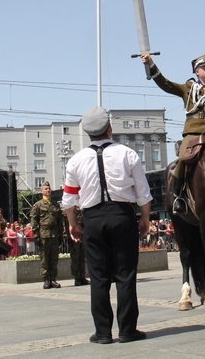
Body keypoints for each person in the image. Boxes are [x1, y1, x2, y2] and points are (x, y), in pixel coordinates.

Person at [62, 106, 151, 344]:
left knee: (99, 277)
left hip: (92, 219)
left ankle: (102, 333)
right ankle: (127, 330)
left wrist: (73, 224)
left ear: (88, 133)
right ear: (109, 128)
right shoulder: (128, 153)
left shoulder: (75, 160)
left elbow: (69, 199)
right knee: (125, 275)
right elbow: (142, 192)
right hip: (122, 216)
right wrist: (145, 218)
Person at [140, 53, 205, 214]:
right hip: (193, 132)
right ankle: (178, 197)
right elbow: (166, 84)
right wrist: (151, 64)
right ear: (197, 71)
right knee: (183, 158)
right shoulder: (188, 88)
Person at [30, 181, 64, 289]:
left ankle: (53, 279)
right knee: (44, 259)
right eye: (45, 189)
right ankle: (46, 280)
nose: (47, 190)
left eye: (49, 189)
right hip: (43, 235)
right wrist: (36, 235)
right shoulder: (38, 205)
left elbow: (59, 220)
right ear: (41, 191)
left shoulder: (55, 204)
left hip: (54, 235)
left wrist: (61, 235)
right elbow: (34, 220)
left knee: (54, 258)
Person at [67, 207, 89, 286]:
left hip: (83, 233)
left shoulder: (83, 205)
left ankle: (82, 276)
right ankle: (77, 277)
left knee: (82, 256)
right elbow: (67, 222)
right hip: (74, 235)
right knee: (75, 257)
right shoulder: (70, 208)